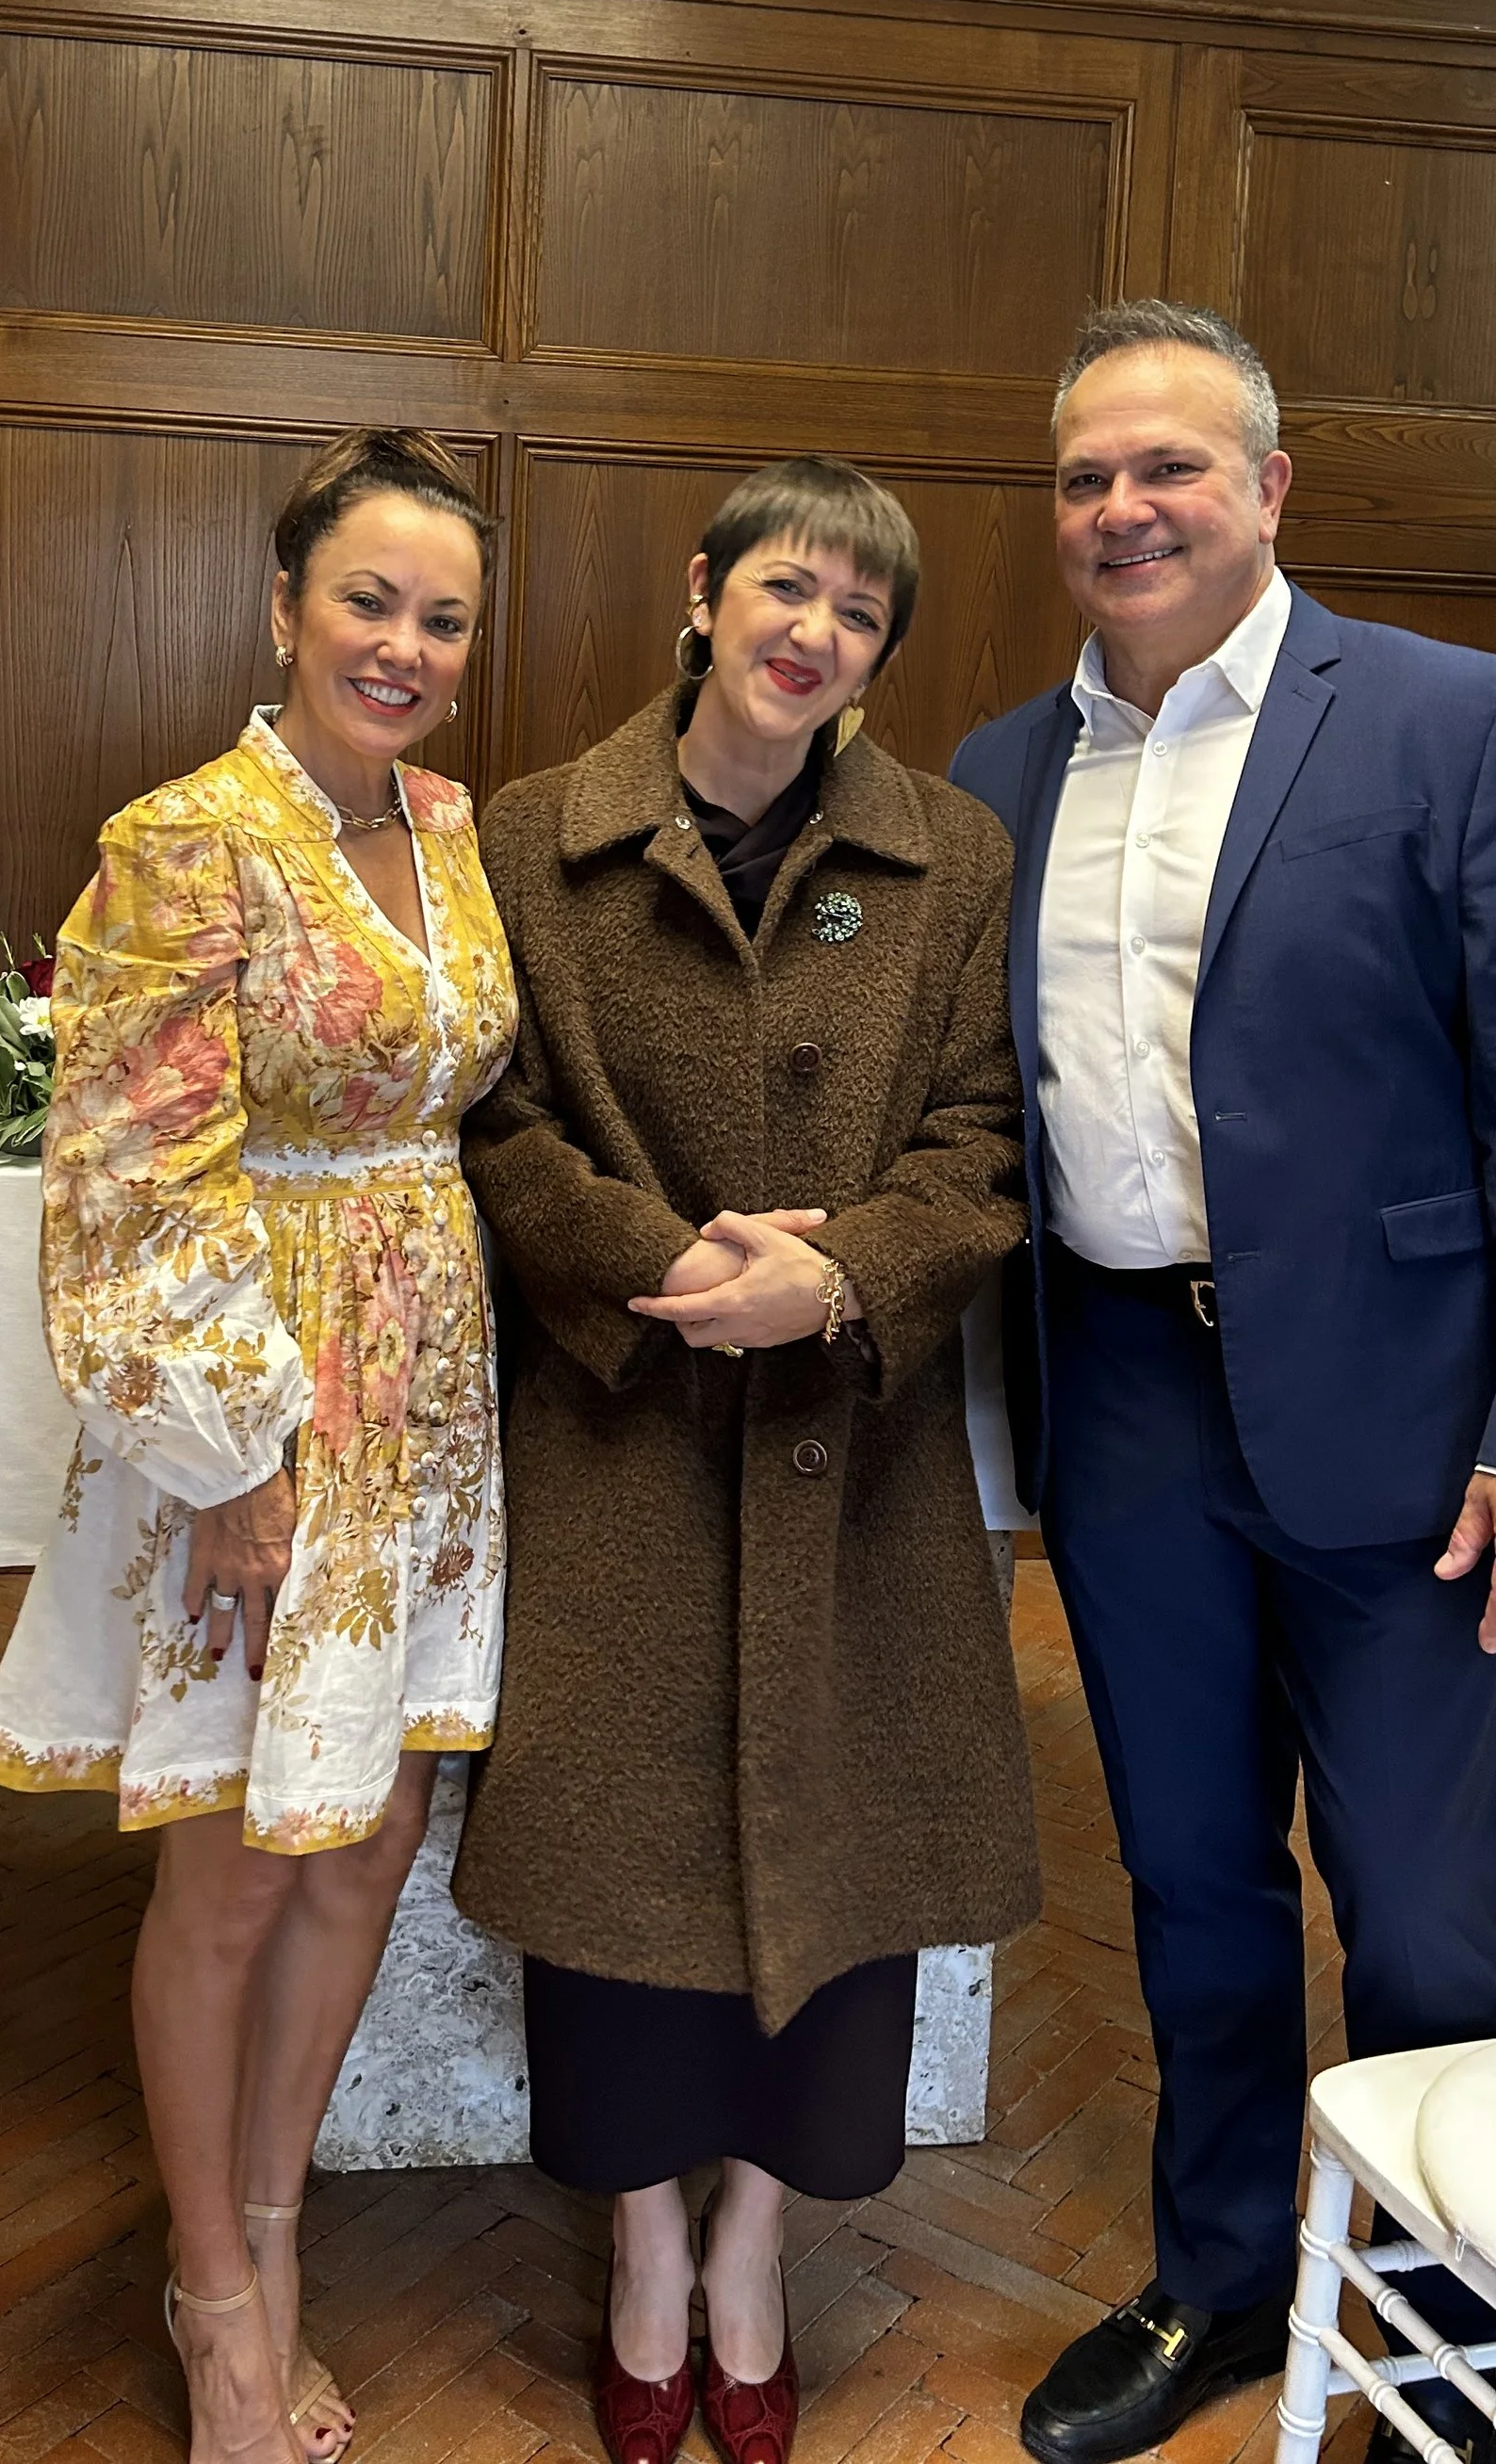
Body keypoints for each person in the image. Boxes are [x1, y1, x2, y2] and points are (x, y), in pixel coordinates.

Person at [948, 303, 1496, 2464]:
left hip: (1415, 1426)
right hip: (1126, 1404)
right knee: (1187, 1872)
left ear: (1267, 489)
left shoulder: (1450, 719)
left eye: (1167, 466)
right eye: (1082, 477)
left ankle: (1437, 2336)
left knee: (1422, 1896)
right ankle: (1218, 2278)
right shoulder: (995, 778)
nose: (1122, 508)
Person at [454, 458, 1039, 2464]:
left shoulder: (948, 854)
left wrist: (843, 1274)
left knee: (839, 1849)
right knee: (615, 1862)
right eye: (785, 589)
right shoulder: (533, 833)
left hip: (841, 1451)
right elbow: (502, 1119)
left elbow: (977, 1141)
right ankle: (635, 2245)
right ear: (699, 594)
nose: (815, 635)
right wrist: (654, 1263)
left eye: (859, 615)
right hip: (618, 1435)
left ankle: (751, 2252)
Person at [0, 428, 516, 2464]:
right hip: (261, 1410)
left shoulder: (452, 824)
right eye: (365, 599)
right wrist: (230, 1462)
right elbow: (120, 1178)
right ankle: (212, 2294)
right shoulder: (181, 838)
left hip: (428, 1390)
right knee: (222, 1866)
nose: (400, 643)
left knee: (364, 1844)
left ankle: (276, 2231)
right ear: (282, 607)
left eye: (439, 615)